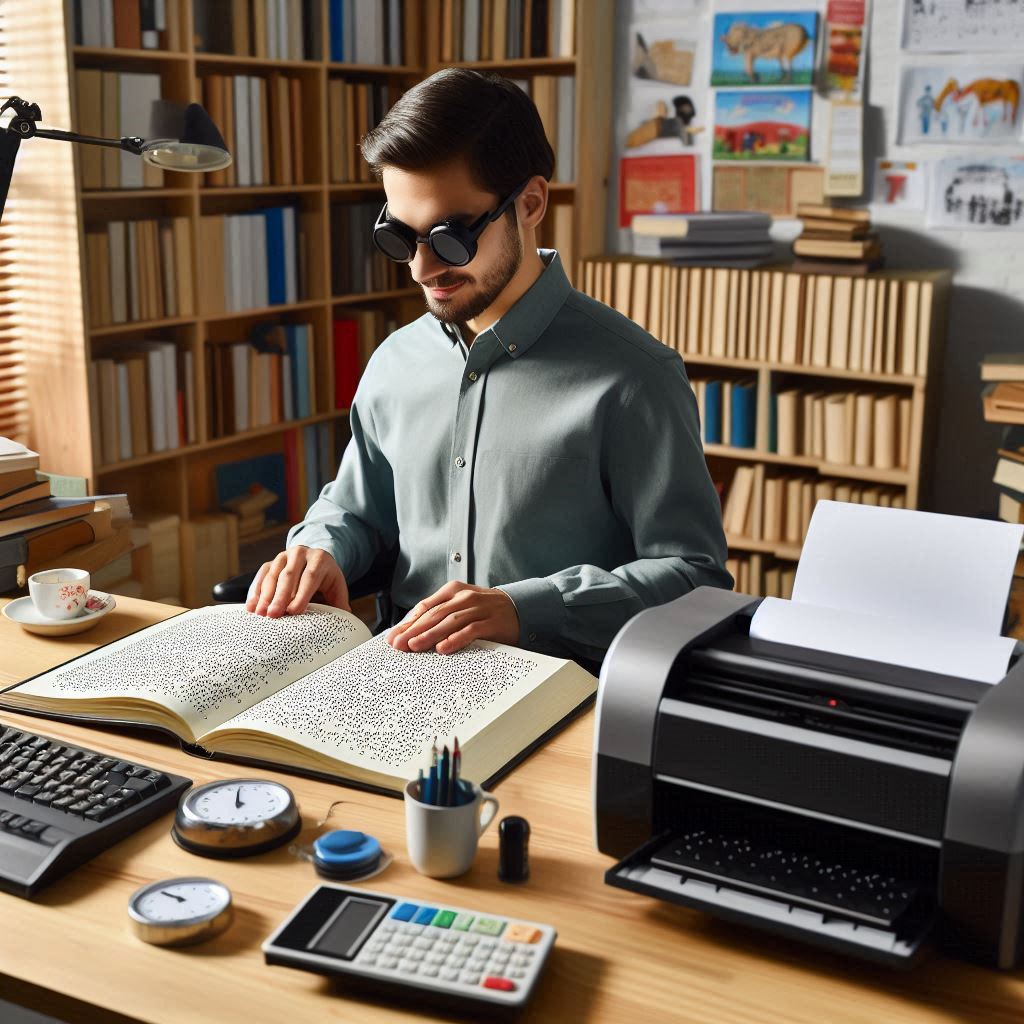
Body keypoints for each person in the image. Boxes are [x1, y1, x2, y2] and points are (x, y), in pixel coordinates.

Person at [247, 68, 732, 668]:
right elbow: (356, 510)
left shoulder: (635, 377)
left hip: (560, 701)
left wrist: (528, 607)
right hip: (390, 684)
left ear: (529, 204)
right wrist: (320, 548)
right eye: (399, 238)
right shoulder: (396, 364)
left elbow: (694, 576)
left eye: (450, 238)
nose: (422, 268)